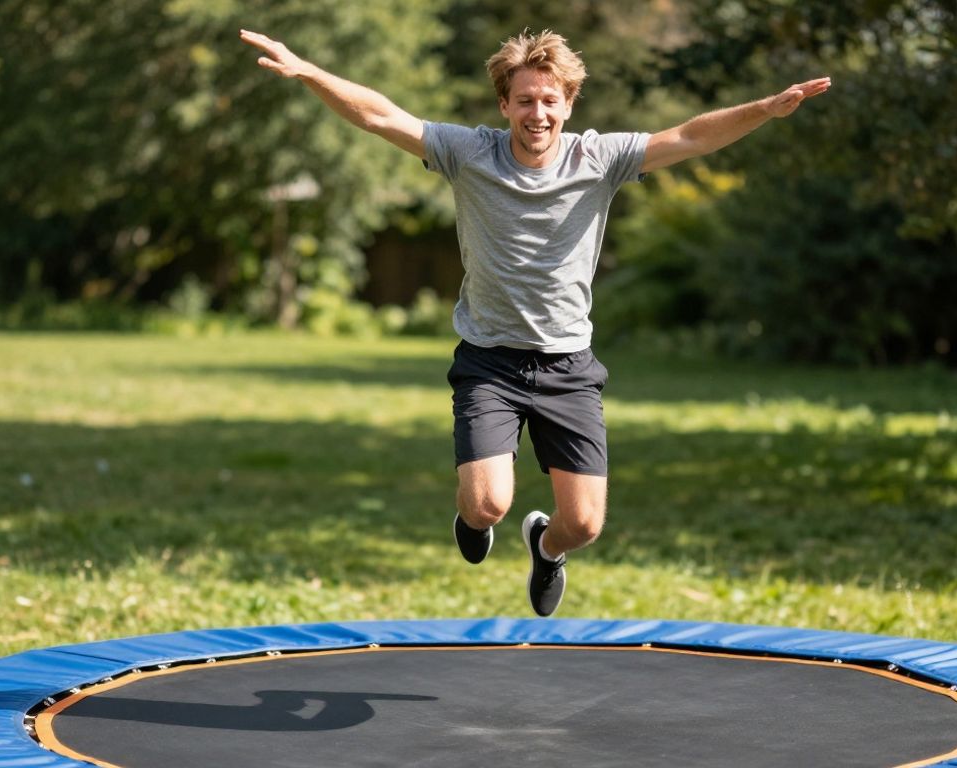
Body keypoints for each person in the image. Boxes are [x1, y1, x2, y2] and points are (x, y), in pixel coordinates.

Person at [239, 27, 829, 617]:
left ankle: (545, 548)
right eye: (525, 100)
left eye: (550, 100)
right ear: (504, 105)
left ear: (569, 104)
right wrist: (309, 72)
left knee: (584, 524)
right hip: (489, 361)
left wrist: (767, 109)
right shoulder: (469, 153)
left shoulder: (599, 159)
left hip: (568, 365)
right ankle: (473, 517)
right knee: (486, 505)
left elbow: (692, 136)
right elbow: (380, 116)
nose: (538, 113)